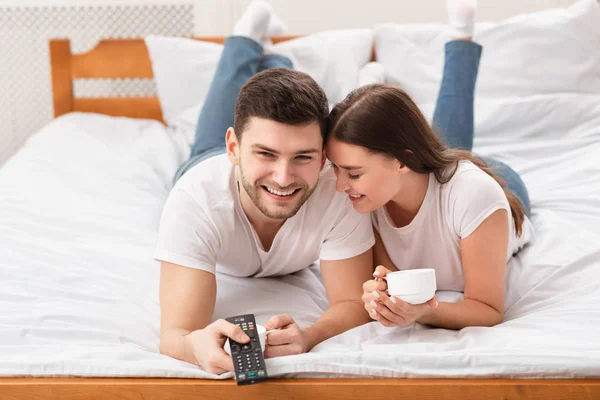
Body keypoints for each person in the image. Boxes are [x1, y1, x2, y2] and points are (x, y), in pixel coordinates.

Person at [154, 1, 375, 375]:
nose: (284, 176)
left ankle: (277, 64)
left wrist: (311, 334)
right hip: (206, 167)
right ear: (235, 148)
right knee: (203, 141)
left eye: (303, 157)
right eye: (266, 153)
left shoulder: (339, 190)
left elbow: (352, 302)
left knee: (277, 96)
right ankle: (244, 39)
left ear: (324, 156)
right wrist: (195, 345)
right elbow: (175, 333)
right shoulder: (195, 200)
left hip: (244, 170)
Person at [326, 0, 533, 330]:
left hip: (503, 184)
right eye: (336, 168)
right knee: (446, 145)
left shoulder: (476, 194)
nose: (339, 184)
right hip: (431, 168)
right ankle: (371, 84)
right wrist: (381, 294)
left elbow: (487, 308)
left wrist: (423, 312)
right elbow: (389, 278)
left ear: (402, 160)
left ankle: (461, 40)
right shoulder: (363, 196)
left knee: (456, 150)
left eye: (353, 173)